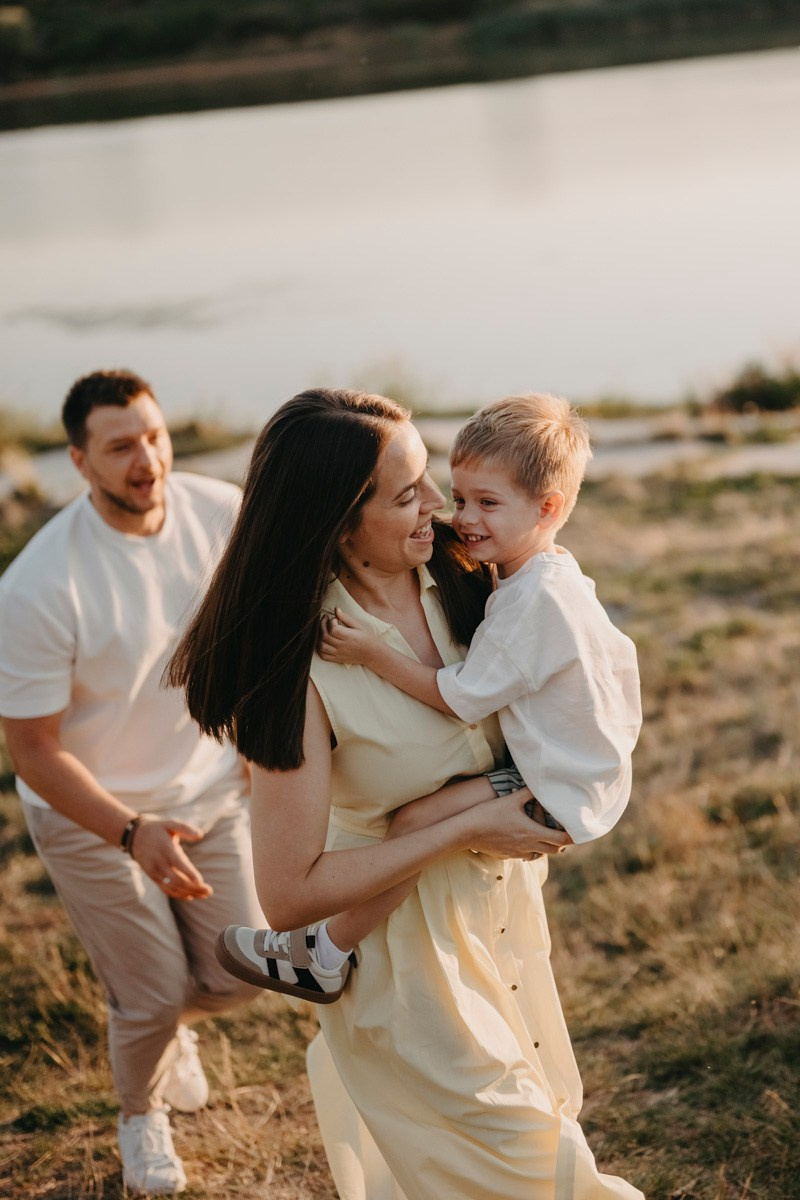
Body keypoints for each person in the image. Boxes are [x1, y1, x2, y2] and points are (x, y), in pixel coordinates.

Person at [169, 387, 646, 1200]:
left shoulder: (470, 585)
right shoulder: (300, 667)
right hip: (397, 969)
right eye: (408, 494)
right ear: (339, 521)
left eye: (433, 480)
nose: (441, 509)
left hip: (498, 932)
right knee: (548, 1177)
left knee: (531, 1147)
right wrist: (474, 825)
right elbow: (286, 896)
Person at [0, 370, 264, 1196]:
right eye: (120, 446)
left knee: (234, 972)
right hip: (91, 812)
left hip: (207, 791)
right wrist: (128, 831)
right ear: (80, 462)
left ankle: (164, 1027)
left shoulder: (217, 511)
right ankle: (139, 1118)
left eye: (153, 435)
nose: (146, 458)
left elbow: (263, 618)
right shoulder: (40, 585)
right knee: (149, 992)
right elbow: (34, 750)